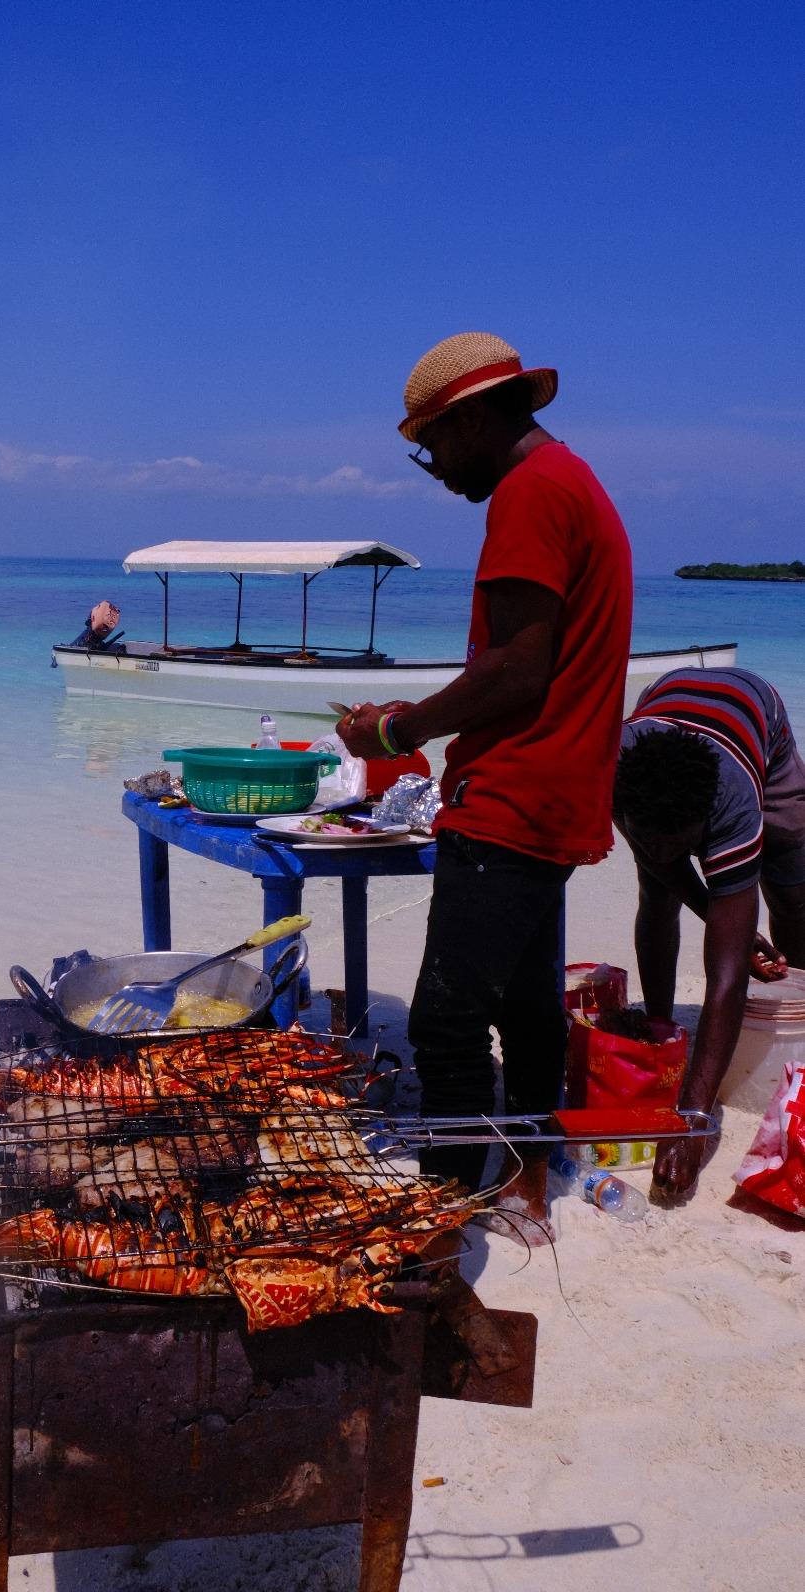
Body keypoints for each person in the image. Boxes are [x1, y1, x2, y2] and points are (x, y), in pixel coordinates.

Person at [338, 330, 633, 1234]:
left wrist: (399, 727)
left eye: (434, 443)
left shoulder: (530, 495)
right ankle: (525, 1182)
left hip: (512, 796)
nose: (433, 467)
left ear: (472, 419)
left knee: (446, 1021)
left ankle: (447, 1212)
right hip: (555, 791)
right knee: (523, 1001)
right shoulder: (571, 481)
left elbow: (517, 671)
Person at [615, 666, 805, 1199]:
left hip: (756, 717)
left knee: (790, 885)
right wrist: (728, 926)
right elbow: (662, 865)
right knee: (656, 892)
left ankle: (796, 1038)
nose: (659, 852)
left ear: (705, 828)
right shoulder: (615, 771)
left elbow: (724, 979)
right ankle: (659, 1025)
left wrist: (693, 1116)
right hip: (664, 704)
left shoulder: (733, 804)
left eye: (680, 843)